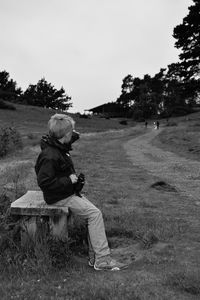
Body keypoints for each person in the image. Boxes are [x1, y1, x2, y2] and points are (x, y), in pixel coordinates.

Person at [35, 113, 127, 271]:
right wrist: (69, 180)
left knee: (94, 214)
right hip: (59, 197)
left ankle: (95, 258)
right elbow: (44, 182)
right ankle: (102, 260)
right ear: (65, 135)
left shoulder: (58, 145)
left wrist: (75, 183)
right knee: (94, 214)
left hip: (67, 193)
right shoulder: (50, 155)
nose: (73, 134)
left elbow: (71, 135)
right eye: (71, 132)